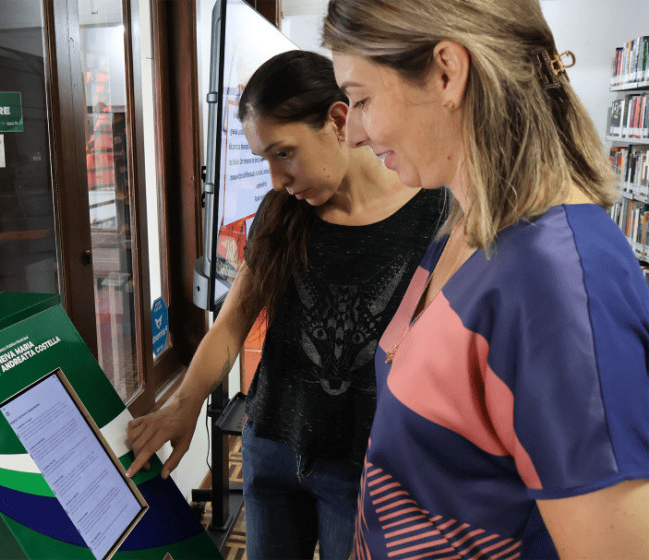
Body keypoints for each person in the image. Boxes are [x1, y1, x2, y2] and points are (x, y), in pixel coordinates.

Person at [322, 1, 649, 558]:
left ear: (447, 73)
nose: (351, 133)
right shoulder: (465, 223)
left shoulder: (561, 283)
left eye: (362, 99)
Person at [126, 50, 446, 559]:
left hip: (362, 467)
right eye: (265, 160)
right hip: (271, 447)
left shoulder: (434, 212)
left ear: (337, 121)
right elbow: (231, 324)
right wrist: (183, 406)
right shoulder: (281, 211)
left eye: (284, 153)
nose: (277, 179)